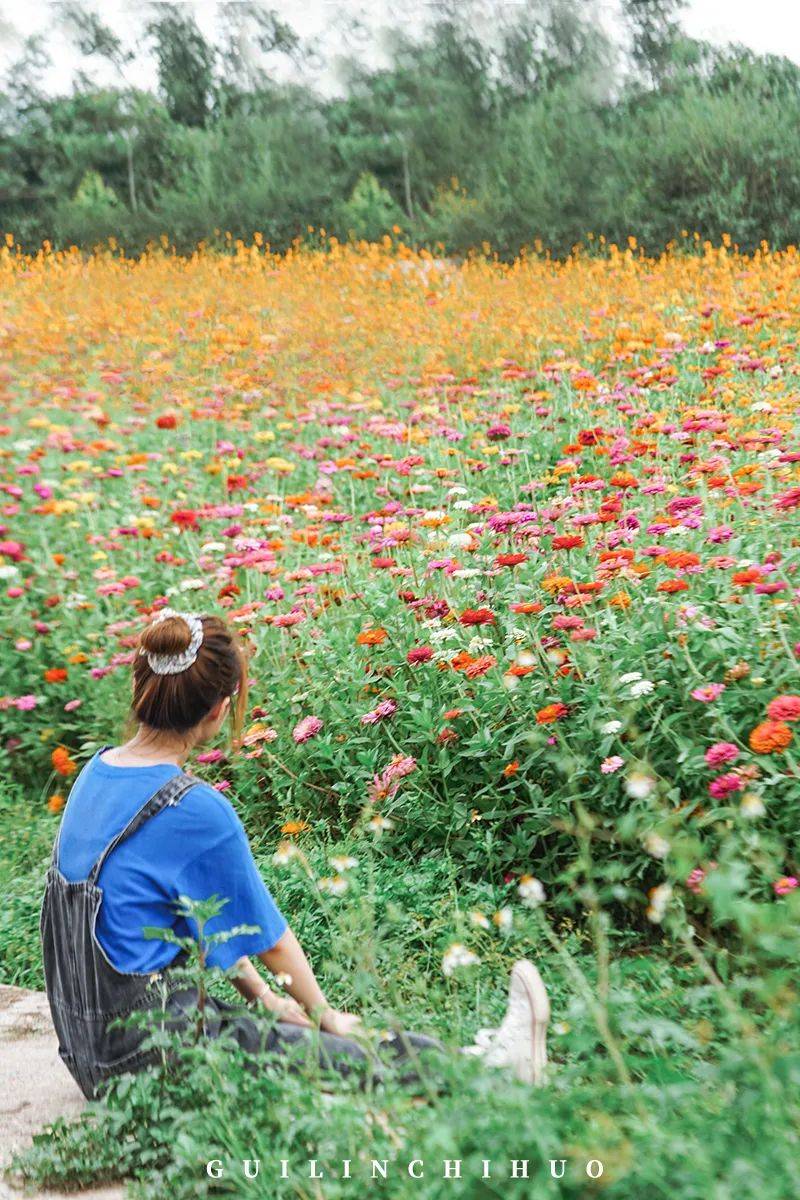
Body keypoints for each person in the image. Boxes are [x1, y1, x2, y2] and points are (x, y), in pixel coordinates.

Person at [41, 608, 550, 1101]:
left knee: (273, 1034)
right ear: (220, 708)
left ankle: (463, 1061)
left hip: (92, 1052)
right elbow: (272, 941)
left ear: (140, 688)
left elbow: (189, 916)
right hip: (153, 1058)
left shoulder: (96, 773)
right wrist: (325, 1015)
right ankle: (488, 1072)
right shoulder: (192, 809)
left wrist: (262, 997)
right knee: (334, 1052)